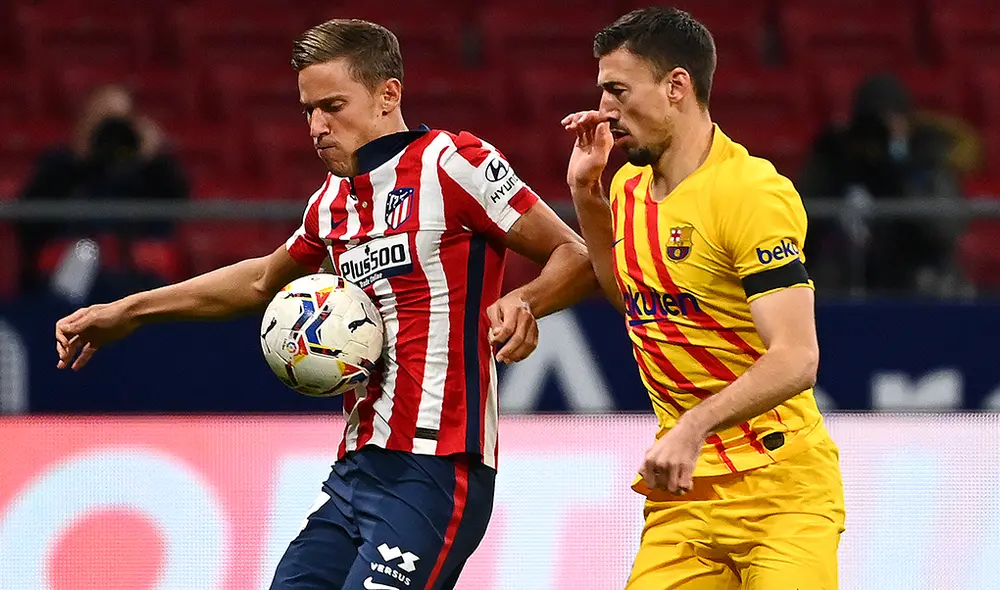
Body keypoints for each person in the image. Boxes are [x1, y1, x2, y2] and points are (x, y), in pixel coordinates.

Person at [55, 19, 596, 590]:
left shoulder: (452, 162)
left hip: (434, 472)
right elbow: (261, 279)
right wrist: (129, 311)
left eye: (332, 106)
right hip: (353, 473)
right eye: (308, 111)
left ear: (388, 94)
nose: (316, 127)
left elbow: (576, 255)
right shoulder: (330, 201)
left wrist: (525, 300)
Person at [563, 7, 844, 589]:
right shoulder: (628, 185)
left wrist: (694, 426)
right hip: (684, 497)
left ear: (676, 86)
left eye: (618, 91)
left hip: (781, 488)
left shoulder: (751, 193)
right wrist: (586, 193)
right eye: (602, 92)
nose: (604, 110)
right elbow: (632, 300)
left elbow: (797, 357)